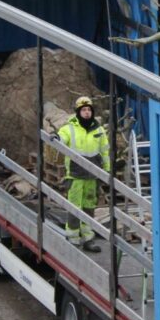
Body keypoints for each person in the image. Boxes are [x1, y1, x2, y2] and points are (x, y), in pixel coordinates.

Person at [57, 96, 110, 253]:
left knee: (89, 208)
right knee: (75, 208)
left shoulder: (99, 130)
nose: (86, 113)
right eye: (83, 110)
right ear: (78, 112)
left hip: (92, 176)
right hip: (75, 175)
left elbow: (105, 152)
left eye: (89, 110)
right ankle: (73, 239)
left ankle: (88, 239)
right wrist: (56, 137)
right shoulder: (70, 128)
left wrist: (107, 171)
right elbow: (62, 137)